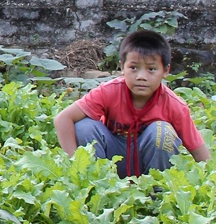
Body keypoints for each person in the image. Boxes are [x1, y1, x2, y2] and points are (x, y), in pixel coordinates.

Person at [54, 29, 210, 176]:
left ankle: (156, 196)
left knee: (162, 132)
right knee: (84, 127)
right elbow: (63, 119)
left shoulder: (174, 105)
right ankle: (95, 184)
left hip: (148, 168)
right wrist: (75, 165)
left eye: (151, 69)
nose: (141, 76)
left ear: (166, 71)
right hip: (111, 161)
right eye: (134, 67)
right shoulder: (109, 91)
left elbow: (199, 152)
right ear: (122, 67)